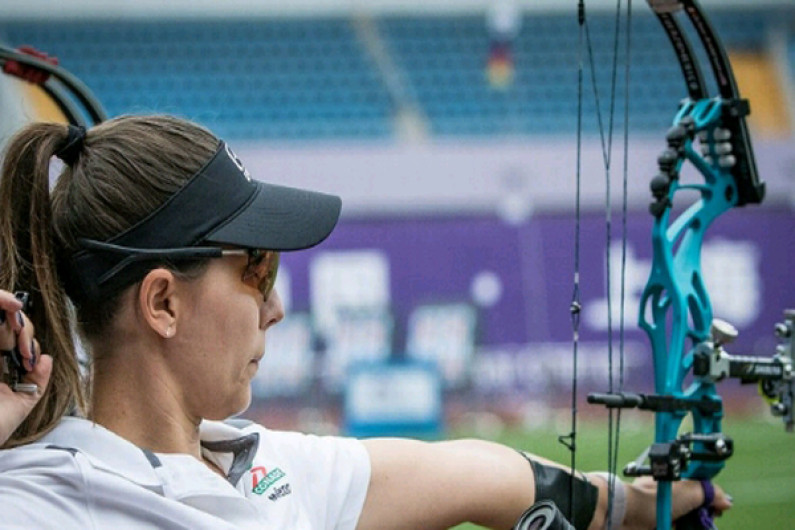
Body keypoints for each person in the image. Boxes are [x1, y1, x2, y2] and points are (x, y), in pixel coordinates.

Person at [0, 116, 730, 529]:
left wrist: (640, 502)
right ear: (162, 303)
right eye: (255, 269)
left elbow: (485, 474)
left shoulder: (261, 469)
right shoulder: (44, 500)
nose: (275, 307)